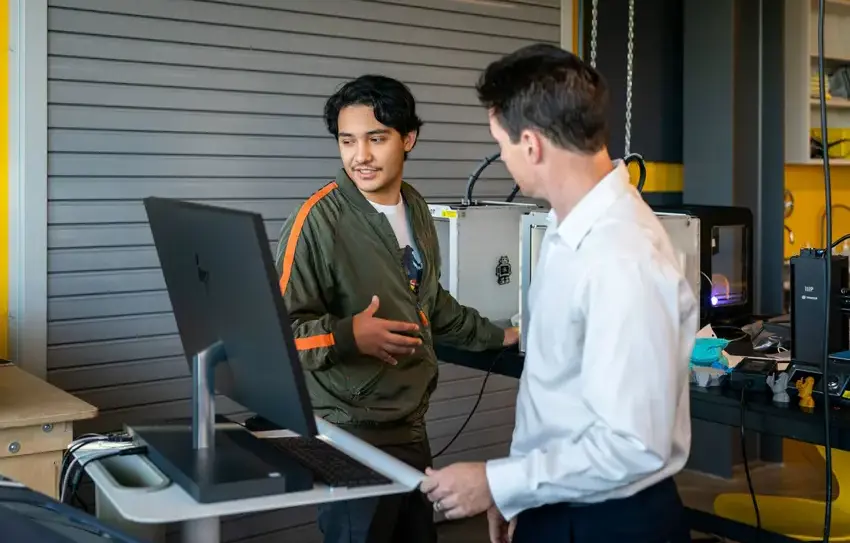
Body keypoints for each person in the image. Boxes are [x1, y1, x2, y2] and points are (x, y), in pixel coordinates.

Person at [420, 44, 697, 543]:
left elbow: (632, 443)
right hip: (555, 501)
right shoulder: (563, 229)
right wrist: (517, 491)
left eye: (500, 144)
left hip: (610, 523)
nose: (502, 158)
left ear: (532, 145)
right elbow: (553, 395)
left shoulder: (621, 257)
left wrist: (497, 482)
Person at [274, 74, 519, 543]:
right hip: (347, 432)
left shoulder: (416, 208)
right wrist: (348, 335)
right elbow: (280, 335)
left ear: (408, 139)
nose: (360, 156)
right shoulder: (315, 221)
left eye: (376, 139)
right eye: (348, 141)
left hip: (407, 425)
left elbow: (431, 302)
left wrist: (500, 336)